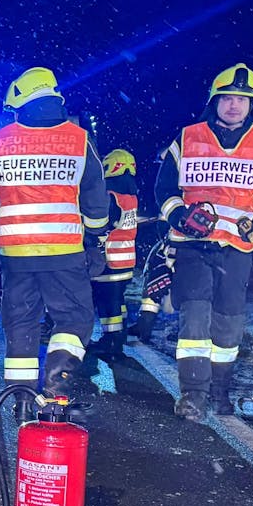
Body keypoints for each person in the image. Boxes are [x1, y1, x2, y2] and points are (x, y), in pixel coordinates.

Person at [154, 63, 253, 418]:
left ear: (252, 106)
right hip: (192, 245)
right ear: (214, 101)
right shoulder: (187, 137)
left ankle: (220, 392)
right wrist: (178, 216)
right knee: (195, 318)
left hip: (238, 249)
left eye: (242, 100)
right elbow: (164, 189)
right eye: (227, 98)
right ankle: (193, 396)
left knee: (229, 324)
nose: (234, 106)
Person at [0, 68, 109, 411]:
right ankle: (55, 385)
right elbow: (96, 199)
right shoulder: (78, 139)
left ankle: (20, 400)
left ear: (19, 102)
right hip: (64, 253)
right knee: (74, 320)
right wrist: (96, 239)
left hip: (15, 255)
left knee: (20, 323)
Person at [89, 149, 140, 357]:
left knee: (107, 304)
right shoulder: (131, 196)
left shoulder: (110, 196)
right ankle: (119, 337)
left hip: (109, 261)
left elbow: (106, 223)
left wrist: (94, 237)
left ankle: (111, 343)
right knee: (118, 301)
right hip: (126, 261)